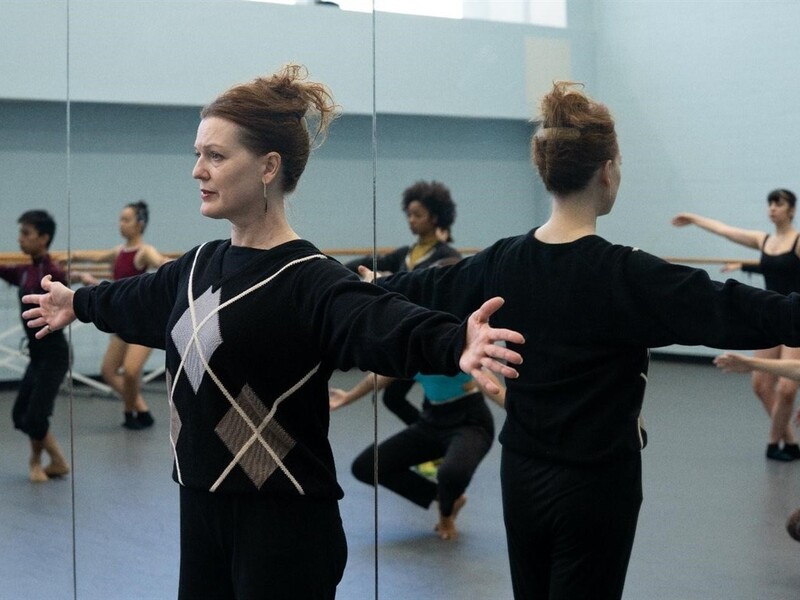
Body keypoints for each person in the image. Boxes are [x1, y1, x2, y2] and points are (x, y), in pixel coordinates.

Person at [20, 64, 524, 600]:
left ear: (268, 166)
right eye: (197, 154)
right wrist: (78, 302)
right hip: (200, 507)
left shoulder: (307, 279)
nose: (197, 170)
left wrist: (455, 343)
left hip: (284, 524)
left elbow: (376, 319)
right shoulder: (197, 267)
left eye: (215, 155)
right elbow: (138, 299)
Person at [359, 81, 800, 599]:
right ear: (608, 171)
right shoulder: (627, 274)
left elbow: (417, 288)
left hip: (522, 473)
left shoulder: (501, 261)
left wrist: (367, 285)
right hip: (597, 483)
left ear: (547, 174)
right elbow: (742, 310)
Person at [672, 189, 800, 461]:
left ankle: (772, 442)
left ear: (791, 210)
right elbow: (725, 230)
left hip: (795, 318)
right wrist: (695, 218)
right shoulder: (763, 240)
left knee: (787, 388)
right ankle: (788, 440)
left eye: (779, 203)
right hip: (770, 318)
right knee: (760, 385)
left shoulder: (798, 242)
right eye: (770, 203)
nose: (773, 208)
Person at [330, 370, 504, 541]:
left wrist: (522, 414)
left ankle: (446, 515)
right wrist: (347, 397)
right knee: (366, 466)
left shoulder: (457, 349)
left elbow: (488, 380)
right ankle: (446, 497)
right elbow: (379, 376)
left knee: (450, 473)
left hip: (471, 423)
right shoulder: (413, 351)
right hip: (432, 420)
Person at [346, 181, 462, 426]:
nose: (411, 220)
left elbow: (434, 286)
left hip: (430, 337)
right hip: (405, 336)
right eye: (409, 215)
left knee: (428, 400)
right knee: (393, 398)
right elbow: (371, 261)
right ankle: (428, 440)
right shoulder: (403, 254)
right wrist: (329, 267)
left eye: (417, 215)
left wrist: (390, 279)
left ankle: (434, 443)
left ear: (434, 217)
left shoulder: (447, 256)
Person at [71, 200, 171, 430]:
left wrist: (183, 266)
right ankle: (141, 409)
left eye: (126, 219)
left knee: (131, 372)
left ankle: (131, 412)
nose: (121, 224)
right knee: (108, 371)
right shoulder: (119, 251)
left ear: (140, 224)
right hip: (121, 319)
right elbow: (97, 258)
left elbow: (159, 261)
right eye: (120, 219)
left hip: (143, 320)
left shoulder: (144, 251)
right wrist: (73, 257)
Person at [0, 210, 70, 482]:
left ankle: (42, 462)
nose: (20, 239)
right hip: (37, 357)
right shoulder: (27, 271)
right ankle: (57, 461)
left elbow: (65, 291)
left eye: (26, 234)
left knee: (36, 416)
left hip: (54, 356)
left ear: (44, 238)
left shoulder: (51, 273)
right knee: (21, 414)